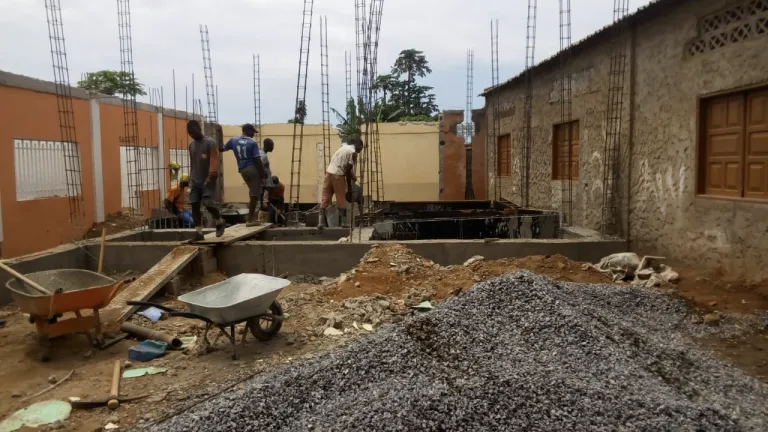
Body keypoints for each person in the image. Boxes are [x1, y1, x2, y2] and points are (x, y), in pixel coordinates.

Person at [221, 124, 267, 226]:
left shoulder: (233, 140)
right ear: (247, 131)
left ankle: (253, 218)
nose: (253, 135)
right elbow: (257, 160)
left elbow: (221, 149)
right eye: (253, 133)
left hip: (242, 170)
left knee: (253, 193)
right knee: (255, 195)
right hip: (252, 168)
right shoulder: (252, 142)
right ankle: (251, 220)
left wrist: (219, 136)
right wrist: (263, 174)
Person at [187, 119, 225, 240]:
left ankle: (219, 221)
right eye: (190, 133)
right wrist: (190, 178)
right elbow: (192, 163)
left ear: (199, 128)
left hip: (208, 179)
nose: (192, 134)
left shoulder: (210, 142)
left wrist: (212, 175)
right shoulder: (191, 145)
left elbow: (214, 160)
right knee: (194, 205)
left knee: (208, 204)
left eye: (193, 131)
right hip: (195, 181)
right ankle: (198, 233)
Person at [319, 138, 363, 228]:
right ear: (359, 146)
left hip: (328, 174)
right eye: (361, 149)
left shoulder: (343, 147)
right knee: (341, 198)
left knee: (325, 198)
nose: (360, 151)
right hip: (338, 176)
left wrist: (352, 176)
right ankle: (343, 222)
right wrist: (350, 187)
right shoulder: (353, 153)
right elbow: (347, 170)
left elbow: (342, 165)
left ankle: (320, 222)